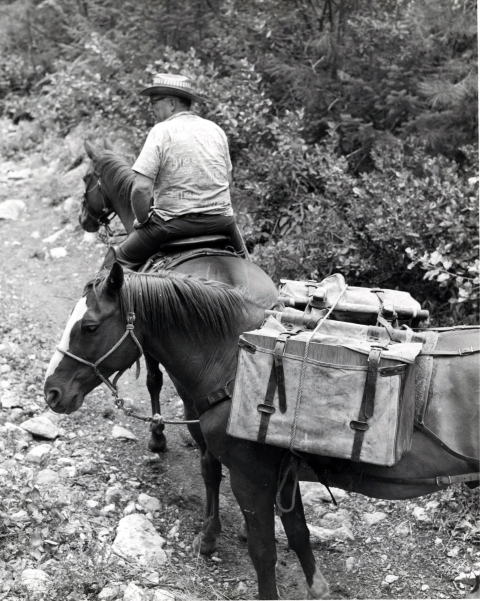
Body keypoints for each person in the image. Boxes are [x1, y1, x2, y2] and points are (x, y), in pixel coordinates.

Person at [114, 72, 246, 269]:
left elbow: (141, 188)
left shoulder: (161, 131)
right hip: (221, 223)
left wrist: (143, 221)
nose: (150, 108)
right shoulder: (215, 129)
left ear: (171, 103)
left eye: (153, 102)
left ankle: (93, 299)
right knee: (248, 265)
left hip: (172, 225)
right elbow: (228, 180)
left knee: (115, 263)